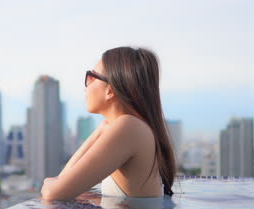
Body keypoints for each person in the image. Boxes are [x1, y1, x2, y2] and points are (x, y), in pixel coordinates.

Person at [41, 46, 176, 200]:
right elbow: (64, 180)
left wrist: (48, 182)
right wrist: (101, 129)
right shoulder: (130, 126)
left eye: (92, 76)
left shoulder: (128, 127)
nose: (86, 86)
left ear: (110, 90)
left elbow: (54, 193)